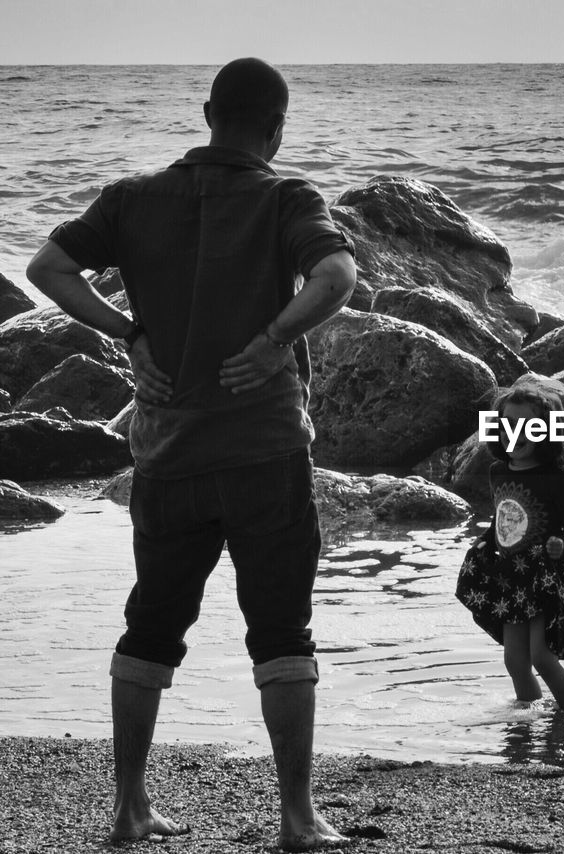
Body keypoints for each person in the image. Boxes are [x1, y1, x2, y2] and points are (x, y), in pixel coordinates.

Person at [25, 58, 357, 851]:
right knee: (282, 631)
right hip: (265, 453)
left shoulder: (131, 199)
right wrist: (277, 339)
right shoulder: (286, 197)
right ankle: (297, 819)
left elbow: (47, 268)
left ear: (208, 113)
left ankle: (129, 809)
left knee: (150, 625)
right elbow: (337, 275)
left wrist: (125, 333)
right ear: (277, 129)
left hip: (167, 453)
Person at [456, 384, 564, 711]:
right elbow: (505, 518)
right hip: (511, 578)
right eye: (507, 424)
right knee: (515, 661)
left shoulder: (559, 479)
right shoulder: (498, 472)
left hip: (545, 576)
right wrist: (485, 544)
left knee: (541, 656)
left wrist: (563, 544)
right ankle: (526, 719)